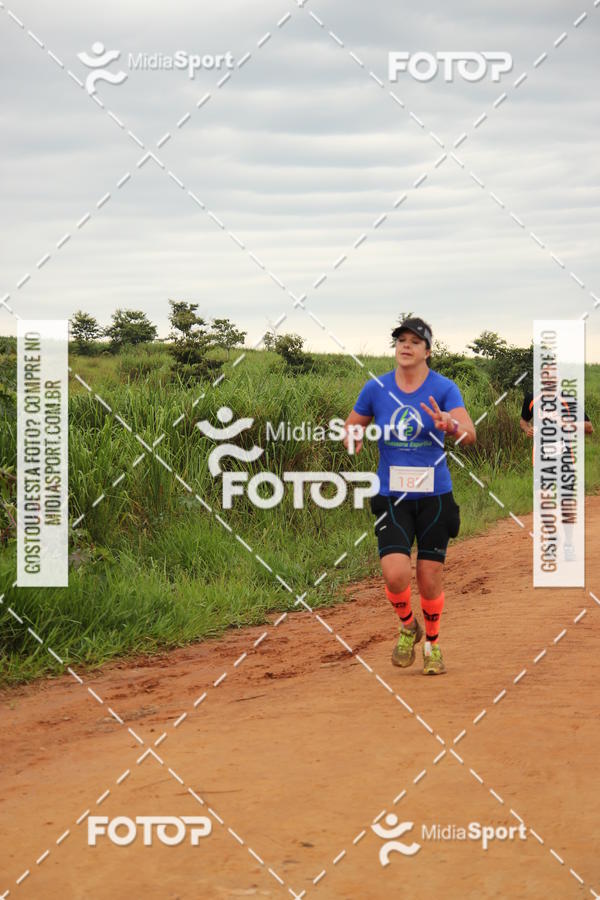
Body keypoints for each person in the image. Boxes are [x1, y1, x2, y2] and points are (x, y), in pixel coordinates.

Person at [343, 317, 476, 675]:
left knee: (429, 578)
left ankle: (432, 644)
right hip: (392, 495)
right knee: (395, 574)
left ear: (427, 351)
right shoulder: (376, 388)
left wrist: (450, 426)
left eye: (415, 342)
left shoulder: (444, 388)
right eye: (401, 340)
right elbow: (352, 425)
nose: (406, 345)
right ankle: (407, 626)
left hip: (435, 496)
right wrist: (353, 437)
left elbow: (470, 434)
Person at [520, 390, 593, 561]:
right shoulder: (531, 398)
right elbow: (523, 421)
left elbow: (589, 427)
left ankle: (568, 544)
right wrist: (528, 430)